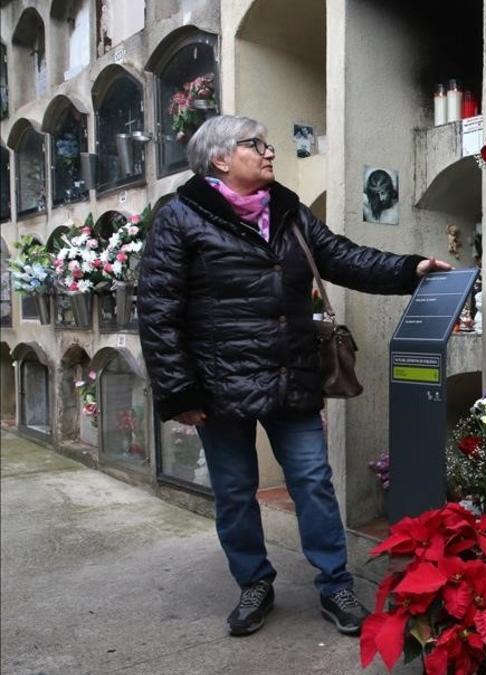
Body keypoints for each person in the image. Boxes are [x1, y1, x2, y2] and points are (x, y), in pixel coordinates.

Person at [137, 115, 452, 638]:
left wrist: (408, 268)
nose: (268, 151)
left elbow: (342, 257)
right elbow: (157, 310)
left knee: (312, 483)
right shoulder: (181, 217)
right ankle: (254, 583)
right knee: (237, 491)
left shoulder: (287, 211)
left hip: (291, 376)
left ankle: (335, 584)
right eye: (254, 144)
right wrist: (179, 391)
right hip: (219, 386)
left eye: (266, 142)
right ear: (220, 159)